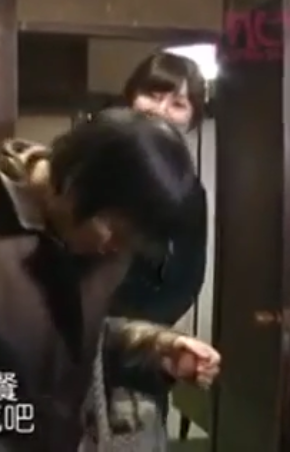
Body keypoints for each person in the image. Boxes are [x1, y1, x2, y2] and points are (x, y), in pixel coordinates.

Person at [0, 109, 220, 451]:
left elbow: (75, 341)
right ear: (76, 182)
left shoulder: (104, 246)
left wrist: (156, 348)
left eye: (131, 242)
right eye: (115, 230)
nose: (116, 249)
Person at [100, 51, 211, 429]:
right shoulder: (90, 160)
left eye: (178, 103)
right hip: (67, 350)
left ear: (192, 118)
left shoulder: (189, 192)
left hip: (139, 359)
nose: (161, 111)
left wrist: (148, 339)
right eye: (152, 95)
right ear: (131, 96)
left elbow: (187, 280)